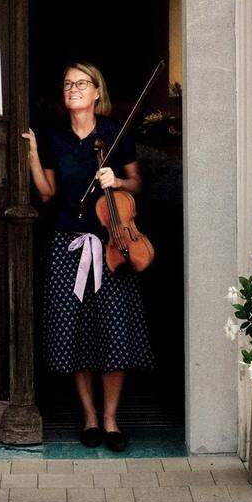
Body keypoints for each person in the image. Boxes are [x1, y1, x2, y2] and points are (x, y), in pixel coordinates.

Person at [21, 61, 157, 453]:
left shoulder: (115, 134)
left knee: (113, 335)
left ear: (98, 92)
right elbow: (46, 193)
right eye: (67, 83)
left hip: (113, 246)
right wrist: (32, 152)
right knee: (75, 335)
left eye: (82, 83)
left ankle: (112, 418)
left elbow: (137, 183)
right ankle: (90, 417)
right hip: (69, 245)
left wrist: (116, 180)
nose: (73, 89)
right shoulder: (54, 136)